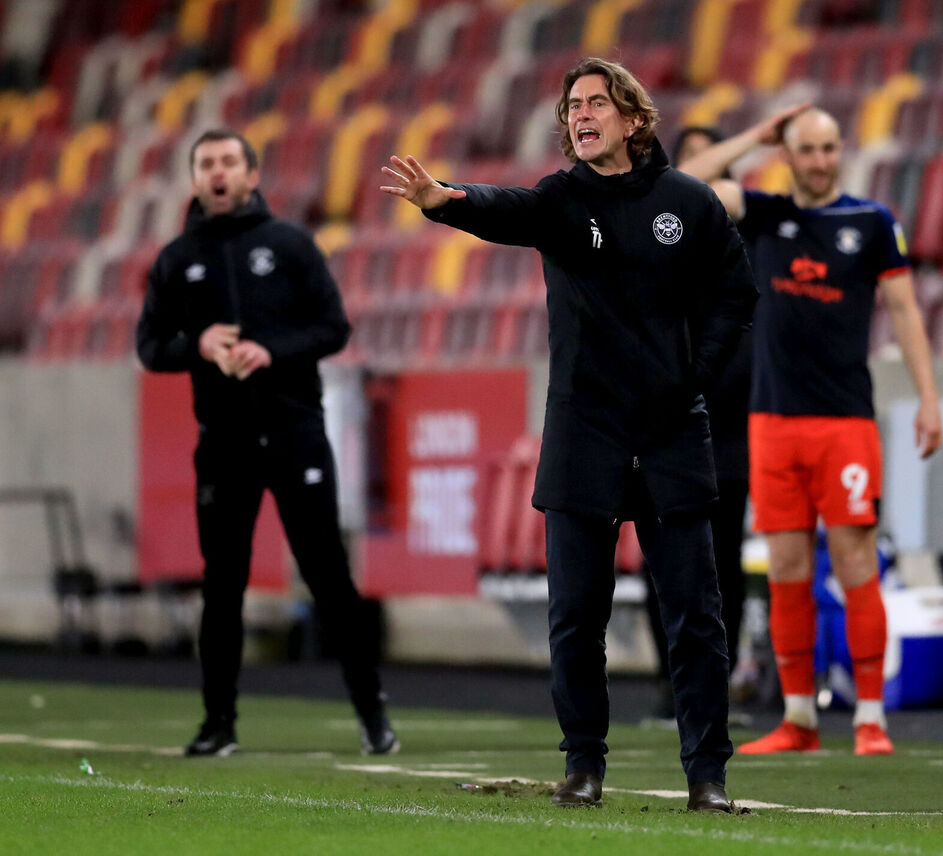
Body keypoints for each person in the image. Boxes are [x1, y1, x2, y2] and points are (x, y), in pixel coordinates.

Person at [381, 57, 758, 811]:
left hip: (672, 432)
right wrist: (442, 200)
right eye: (572, 105)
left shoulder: (690, 203)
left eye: (595, 102)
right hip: (584, 430)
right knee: (576, 614)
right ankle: (584, 763)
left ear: (633, 117)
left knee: (696, 613)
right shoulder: (561, 199)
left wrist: (695, 374)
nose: (580, 114)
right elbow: (504, 206)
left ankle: (707, 773)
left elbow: (735, 294)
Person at [681, 106, 942, 756]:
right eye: (808, 149)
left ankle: (870, 718)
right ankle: (799, 719)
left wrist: (928, 400)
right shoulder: (765, 213)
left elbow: (905, 313)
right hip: (773, 423)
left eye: (830, 148)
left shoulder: (872, 222)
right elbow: (684, 185)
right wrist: (750, 134)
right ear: (787, 154)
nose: (822, 160)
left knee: (856, 564)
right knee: (788, 569)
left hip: (845, 422)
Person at [137, 129, 395, 758]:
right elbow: (149, 348)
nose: (217, 173)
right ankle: (217, 723)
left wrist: (269, 350)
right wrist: (195, 346)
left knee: (328, 576)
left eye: (229, 162)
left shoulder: (290, 244)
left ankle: (372, 714)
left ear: (251, 175)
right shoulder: (176, 258)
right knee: (222, 583)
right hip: (222, 442)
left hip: (294, 433)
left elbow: (334, 328)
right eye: (206, 164)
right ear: (194, 178)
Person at [640, 126, 752, 723]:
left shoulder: (735, 233)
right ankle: (671, 682)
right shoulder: (654, 230)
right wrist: (754, 136)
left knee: (722, 565)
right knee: (666, 559)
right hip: (668, 423)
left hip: (730, 431)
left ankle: (718, 682)